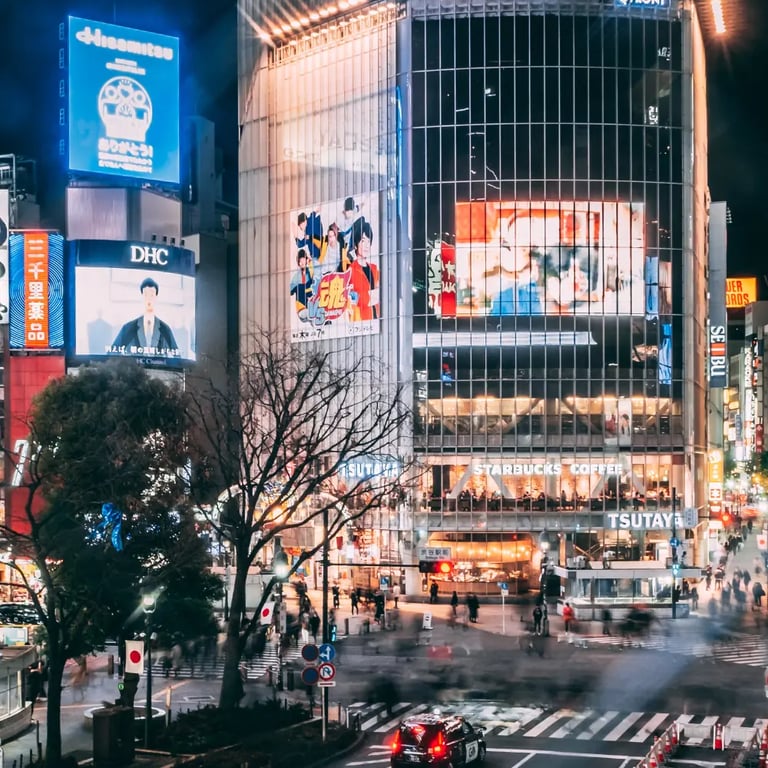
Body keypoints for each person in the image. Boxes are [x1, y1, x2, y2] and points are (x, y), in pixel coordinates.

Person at [111, 277, 179, 355]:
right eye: (146, 294)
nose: (149, 298)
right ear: (141, 296)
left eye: (152, 294)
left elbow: (177, 359)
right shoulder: (128, 328)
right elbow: (111, 354)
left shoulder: (165, 330)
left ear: (157, 297)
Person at [348, 221, 380, 321]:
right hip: (361, 323)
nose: (366, 245)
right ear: (356, 245)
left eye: (368, 241)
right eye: (362, 241)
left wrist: (371, 295)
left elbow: (382, 294)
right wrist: (372, 295)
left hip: (377, 320)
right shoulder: (351, 270)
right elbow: (357, 299)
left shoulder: (374, 269)